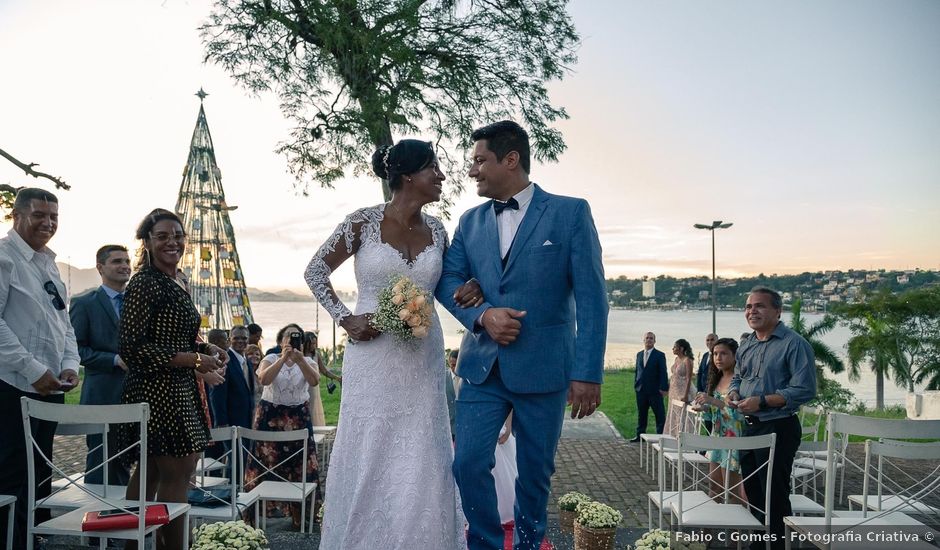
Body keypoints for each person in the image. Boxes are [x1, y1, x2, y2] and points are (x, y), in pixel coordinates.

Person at [436, 120, 609, 550]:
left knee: (535, 473)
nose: (471, 170)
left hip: (545, 368)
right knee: (468, 463)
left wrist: (588, 373)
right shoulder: (470, 221)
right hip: (481, 367)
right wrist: (483, 314)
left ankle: (529, 545)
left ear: (510, 159)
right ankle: (487, 544)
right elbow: (447, 279)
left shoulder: (570, 213)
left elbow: (592, 299)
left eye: (479, 161)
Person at [305, 138, 481, 549]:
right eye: (433, 168)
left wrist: (471, 288)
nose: (441, 175)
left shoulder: (437, 229)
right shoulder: (361, 223)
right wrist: (346, 318)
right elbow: (315, 271)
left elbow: (449, 285)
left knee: (424, 451)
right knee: (371, 449)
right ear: (406, 176)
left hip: (423, 355)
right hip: (372, 355)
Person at [118, 208, 226, 550]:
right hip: (157, 391)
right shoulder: (145, 282)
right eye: (162, 236)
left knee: (151, 473)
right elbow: (133, 348)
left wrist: (207, 347)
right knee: (177, 474)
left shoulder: (175, 280)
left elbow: (175, 337)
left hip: (177, 388)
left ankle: (134, 545)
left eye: (177, 236)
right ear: (147, 242)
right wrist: (195, 359)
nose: (172, 242)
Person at [0, 187, 80, 549]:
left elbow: (64, 326)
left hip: (49, 391)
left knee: (40, 477)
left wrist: (69, 366)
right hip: (10, 387)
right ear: (15, 216)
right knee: (11, 479)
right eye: (38, 215)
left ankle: (33, 542)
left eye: (54, 217)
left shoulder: (49, 265)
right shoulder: (4, 258)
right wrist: (32, 369)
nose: (47, 223)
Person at [727, 286, 816, 550]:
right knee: (753, 494)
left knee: (774, 496)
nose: (752, 311)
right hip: (749, 428)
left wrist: (762, 401)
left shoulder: (795, 344)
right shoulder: (747, 344)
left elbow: (804, 389)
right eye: (748, 306)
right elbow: (739, 376)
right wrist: (733, 391)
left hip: (779, 427)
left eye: (759, 306)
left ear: (777, 311)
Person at [244, 323, 322, 529]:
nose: (292, 340)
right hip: (270, 416)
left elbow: (314, 381)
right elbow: (264, 379)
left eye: (296, 337)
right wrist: (283, 358)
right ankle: (254, 513)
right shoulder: (270, 359)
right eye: (288, 336)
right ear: (280, 340)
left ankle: (299, 513)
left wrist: (299, 360)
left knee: (300, 464)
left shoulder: (308, 361)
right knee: (265, 463)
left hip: (298, 416)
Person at [70, 244, 133, 485]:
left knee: (126, 460)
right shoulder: (84, 303)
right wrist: (115, 360)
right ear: (100, 267)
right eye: (117, 261)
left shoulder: (138, 303)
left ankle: (125, 516)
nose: (124, 266)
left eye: (127, 261)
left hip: (135, 395)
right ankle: (95, 516)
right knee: (101, 462)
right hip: (101, 395)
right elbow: (77, 350)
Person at [693, 337, 747, 504]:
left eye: (724, 353)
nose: (718, 358)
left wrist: (712, 401)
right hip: (717, 438)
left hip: (735, 440)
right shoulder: (716, 378)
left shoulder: (741, 382)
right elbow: (716, 411)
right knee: (714, 487)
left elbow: (739, 412)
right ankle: (707, 529)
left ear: (735, 356)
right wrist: (704, 407)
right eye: (715, 354)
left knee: (733, 492)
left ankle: (738, 529)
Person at [210, 326, 255, 431]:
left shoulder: (247, 362)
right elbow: (217, 394)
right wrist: (221, 422)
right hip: (230, 423)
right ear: (229, 340)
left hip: (247, 420)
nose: (240, 341)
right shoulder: (224, 361)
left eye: (244, 338)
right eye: (236, 338)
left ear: (248, 339)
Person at [630, 332, 668, 443]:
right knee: (642, 414)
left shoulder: (659, 355)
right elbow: (637, 371)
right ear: (644, 340)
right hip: (641, 390)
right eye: (647, 338)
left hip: (655, 391)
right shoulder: (639, 354)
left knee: (659, 415)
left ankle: (661, 438)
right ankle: (640, 436)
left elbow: (663, 373)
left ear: (654, 341)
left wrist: (664, 388)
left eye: (651, 338)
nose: (649, 340)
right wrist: (635, 384)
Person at [663, 338, 695, 436]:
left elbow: (689, 378)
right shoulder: (677, 359)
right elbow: (673, 376)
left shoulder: (687, 360)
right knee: (673, 413)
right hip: (674, 392)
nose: (673, 349)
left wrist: (685, 395)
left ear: (681, 348)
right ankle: (672, 435)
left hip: (682, 392)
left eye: (675, 347)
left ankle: (683, 436)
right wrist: (668, 390)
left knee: (682, 414)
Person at [695, 333, 718, 435]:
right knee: (707, 421)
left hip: (714, 394)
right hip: (703, 393)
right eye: (707, 340)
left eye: (712, 340)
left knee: (715, 422)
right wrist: (699, 390)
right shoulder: (705, 355)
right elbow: (700, 373)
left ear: (717, 341)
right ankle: (708, 444)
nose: (709, 342)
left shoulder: (718, 356)